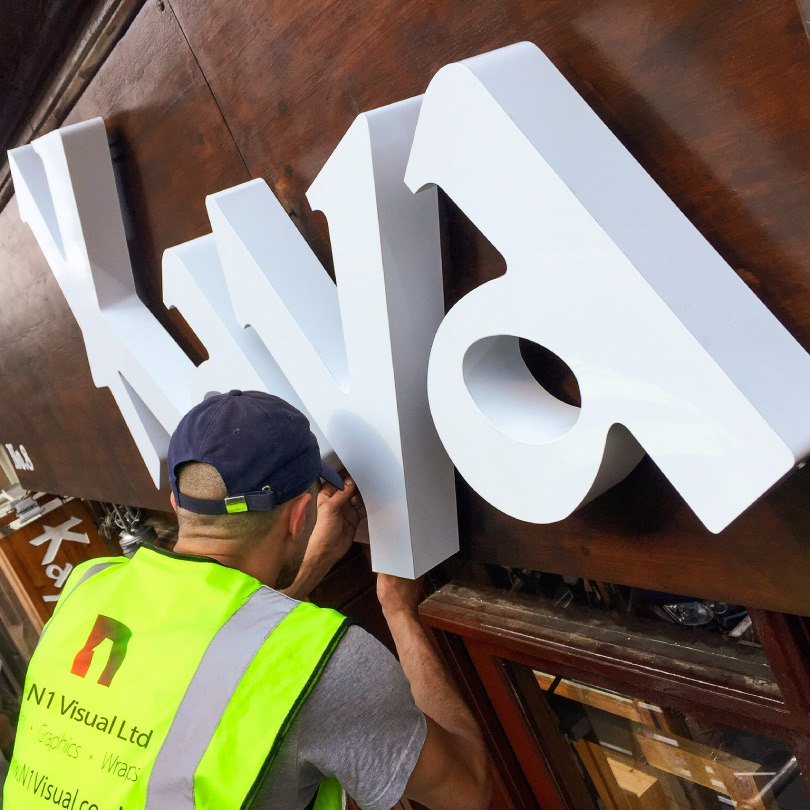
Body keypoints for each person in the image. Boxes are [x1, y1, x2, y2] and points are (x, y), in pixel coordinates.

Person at [3, 390, 490, 810]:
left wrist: (310, 569)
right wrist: (398, 609)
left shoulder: (89, 587)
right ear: (300, 515)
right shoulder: (327, 666)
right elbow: (468, 791)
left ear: (177, 502)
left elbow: (204, 667)